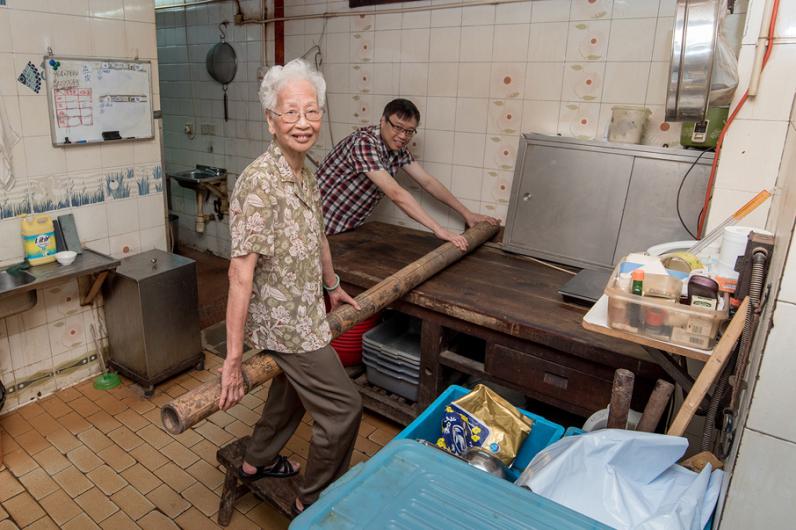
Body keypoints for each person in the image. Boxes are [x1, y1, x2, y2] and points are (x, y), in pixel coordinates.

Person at [218, 58, 362, 516]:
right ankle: (313, 498)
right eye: (291, 112)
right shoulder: (259, 183)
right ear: (271, 120)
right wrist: (233, 358)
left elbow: (317, 234)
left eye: (312, 111)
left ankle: (257, 462)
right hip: (284, 322)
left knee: (293, 393)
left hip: (308, 307)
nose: (303, 122)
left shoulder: (306, 170)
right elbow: (240, 274)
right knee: (343, 410)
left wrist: (332, 285)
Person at [316, 98, 499, 251]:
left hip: (343, 230)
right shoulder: (364, 143)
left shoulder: (398, 150)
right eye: (398, 127)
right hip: (316, 226)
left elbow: (428, 182)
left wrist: (467, 214)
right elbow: (396, 193)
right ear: (383, 121)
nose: (403, 136)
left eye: (409, 131)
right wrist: (439, 229)